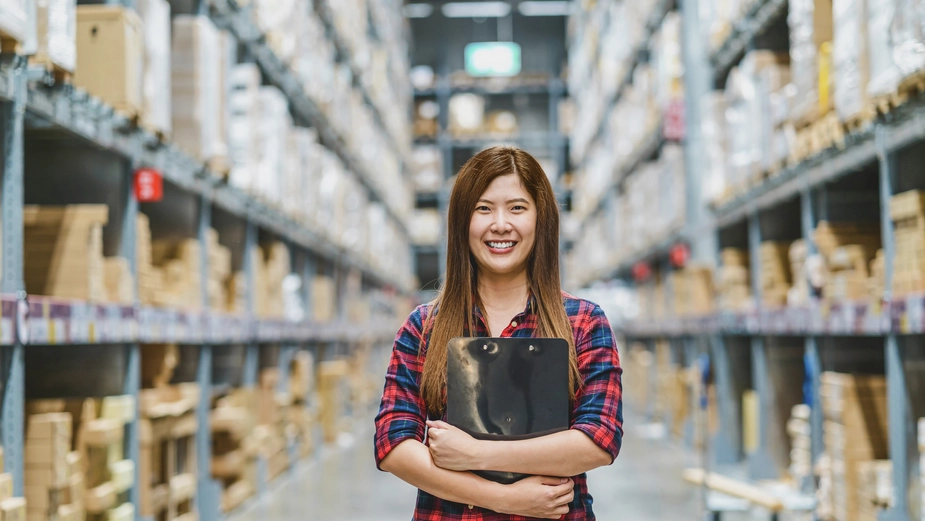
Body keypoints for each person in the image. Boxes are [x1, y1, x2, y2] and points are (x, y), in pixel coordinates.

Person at [374, 146, 623, 520]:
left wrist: (476, 454)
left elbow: (598, 440)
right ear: (462, 223)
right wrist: (503, 498)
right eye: (483, 208)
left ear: (542, 220)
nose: (501, 224)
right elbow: (392, 444)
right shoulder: (423, 328)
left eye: (518, 208)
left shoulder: (583, 322)